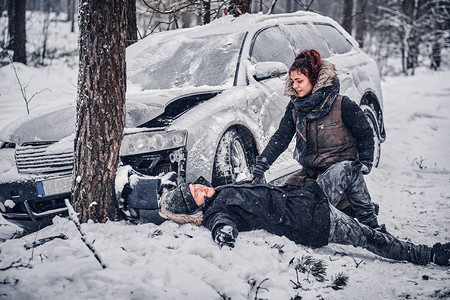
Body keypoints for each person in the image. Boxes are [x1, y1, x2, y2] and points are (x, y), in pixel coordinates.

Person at [158, 161, 449, 266]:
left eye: (195, 186)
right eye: (195, 194)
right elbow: (222, 224)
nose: (199, 188)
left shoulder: (219, 190)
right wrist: (224, 234)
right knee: (367, 238)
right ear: (195, 208)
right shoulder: (215, 213)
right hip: (312, 221)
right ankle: (427, 254)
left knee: (349, 168)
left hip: (310, 195)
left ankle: (371, 220)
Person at [251, 49, 380, 230]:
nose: (295, 86)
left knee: (313, 211)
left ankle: (364, 216)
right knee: (287, 199)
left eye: (300, 81)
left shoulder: (342, 105)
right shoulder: (295, 108)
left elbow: (365, 133)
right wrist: (261, 164)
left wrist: (366, 160)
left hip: (341, 175)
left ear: (314, 78)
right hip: (312, 174)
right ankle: (347, 210)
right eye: (292, 81)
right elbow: (281, 137)